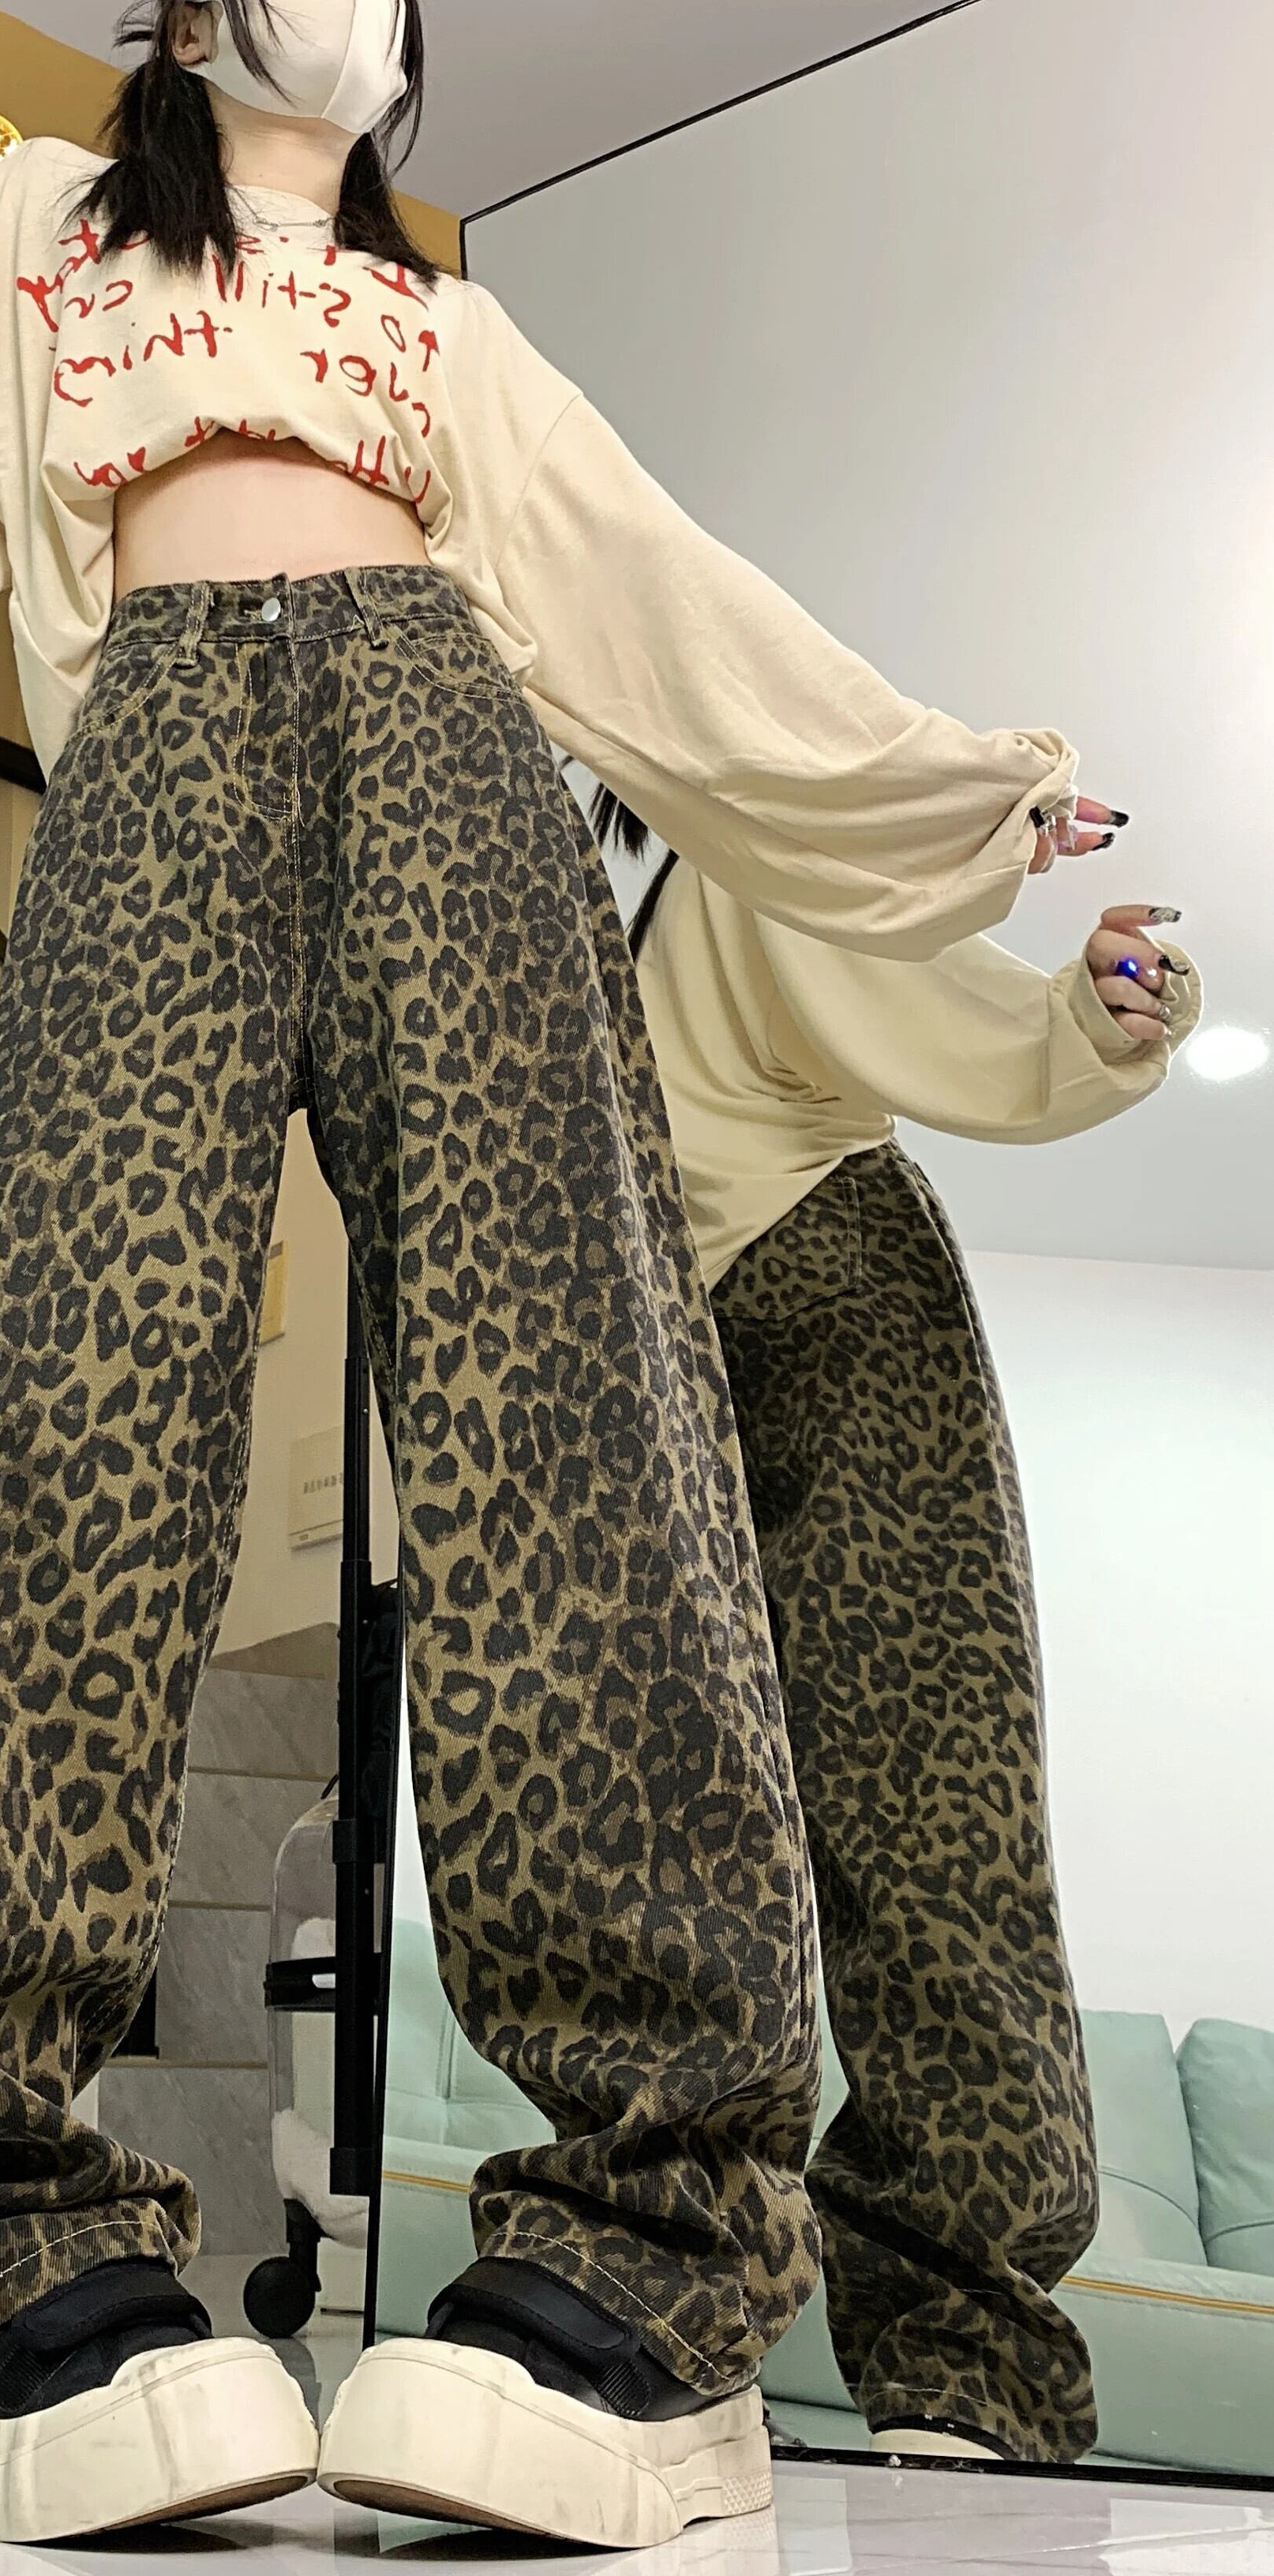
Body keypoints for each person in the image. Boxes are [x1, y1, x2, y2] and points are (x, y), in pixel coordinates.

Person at [0, 0, 1118, 2547]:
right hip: (156, 766)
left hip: (454, 755)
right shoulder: (37, 241)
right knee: (64, 1418)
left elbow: (662, 613)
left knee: (575, 1420)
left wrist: (947, 793)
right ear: (181, 19)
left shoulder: (443, 334)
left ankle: (647, 2239)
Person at [600, 794, 1197, 2467]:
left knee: (925, 1823)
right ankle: (668, 2295)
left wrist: (1084, 1011)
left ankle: (966, 2363)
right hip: (648, 1340)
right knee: (667, 1856)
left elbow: (886, 939)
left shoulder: (732, 795)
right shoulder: (560, 866)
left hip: (826, 1284)